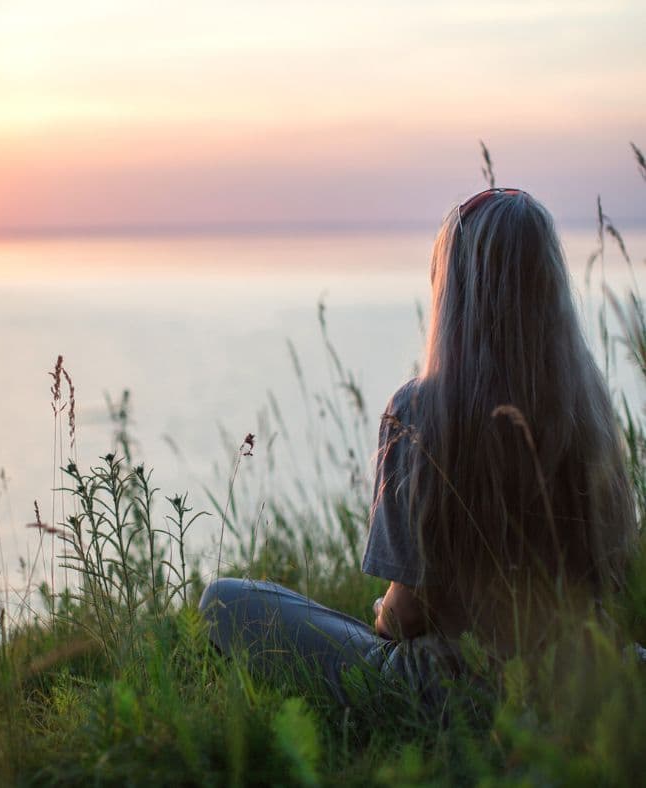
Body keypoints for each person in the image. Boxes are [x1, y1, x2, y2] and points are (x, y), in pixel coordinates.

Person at [199, 188, 637, 704]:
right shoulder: (589, 409)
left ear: (454, 290)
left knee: (227, 601)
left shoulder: (420, 411)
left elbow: (407, 615)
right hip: (580, 683)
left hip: (452, 690)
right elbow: (615, 580)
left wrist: (382, 612)